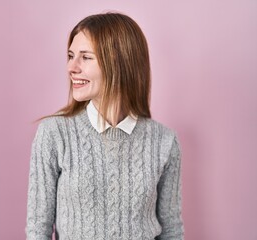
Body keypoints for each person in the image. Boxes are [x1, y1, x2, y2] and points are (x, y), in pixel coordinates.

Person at [26, 12, 184, 240]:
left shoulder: (164, 141)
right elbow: (38, 229)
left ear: (119, 63)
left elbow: (171, 230)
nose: (71, 67)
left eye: (85, 57)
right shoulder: (54, 134)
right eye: (70, 56)